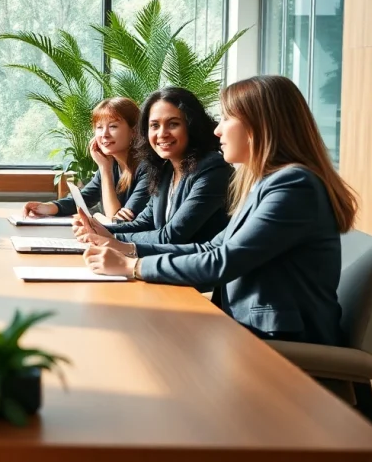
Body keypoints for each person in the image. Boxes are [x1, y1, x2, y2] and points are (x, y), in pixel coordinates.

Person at [83, 75, 356, 346]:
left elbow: (222, 261)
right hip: (249, 325)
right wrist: (123, 249)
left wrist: (133, 266)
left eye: (226, 118)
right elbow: (209, 248)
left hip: (281, 339)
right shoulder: (268, 183)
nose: (217, 130)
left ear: (259, 125)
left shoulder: (293, 186)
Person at [74, 87, 231, 245]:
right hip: (164, 263)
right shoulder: (165, 169)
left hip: (197, 267)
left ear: (192, 126)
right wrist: (96, 229)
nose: (162, 134)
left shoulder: (212, 168)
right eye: (154, 126)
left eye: (173, 124)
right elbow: (144, 223)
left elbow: (172, 236)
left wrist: (111, 238)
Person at [23, 97, 149, 222]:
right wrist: (44, 207)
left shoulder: (147, 169)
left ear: (134, 131)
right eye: (99, 127)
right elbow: (83, 199)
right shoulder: (112, 163)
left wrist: (105, 170)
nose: (104, 134)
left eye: (113, 126)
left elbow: (116, 220)